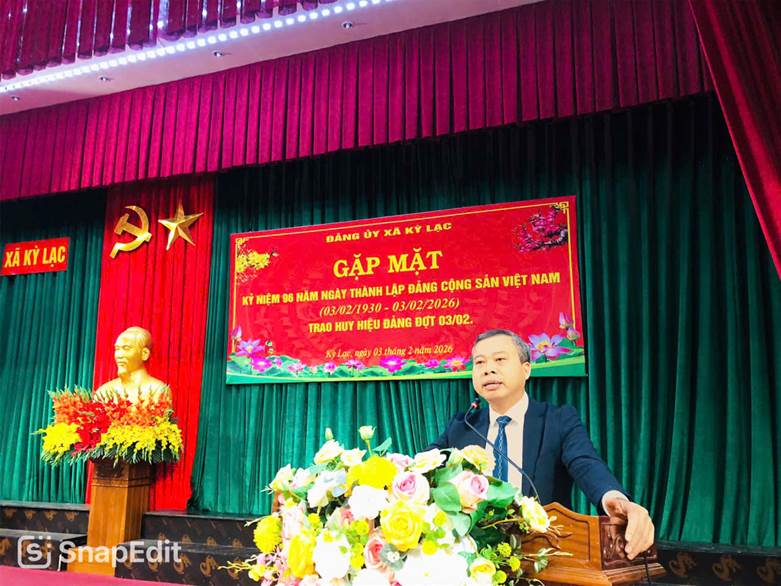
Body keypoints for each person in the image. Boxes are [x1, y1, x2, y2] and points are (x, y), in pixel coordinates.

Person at [429, 329, 655, 560]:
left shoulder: (558, 421)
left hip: (542, 556)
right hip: (474, 560)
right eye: (479, 362)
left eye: (499, 359)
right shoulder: (462, 426)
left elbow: (586, 464)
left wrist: (614, 499)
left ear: (526, 369)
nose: (488, 369)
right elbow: (423, 466)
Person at [94, 326, 170, 404]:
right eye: (117, 349)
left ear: (144, 353)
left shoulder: (158, 390)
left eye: (126, 348)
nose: (119, 355)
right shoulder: (104, 392)